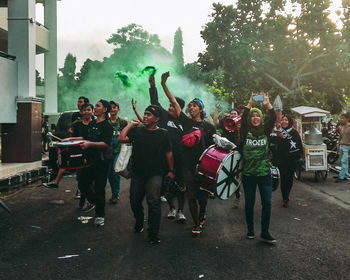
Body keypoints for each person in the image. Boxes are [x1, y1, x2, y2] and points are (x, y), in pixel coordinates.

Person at [163, 79, 216, 236]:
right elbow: (173, 101)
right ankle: (196, 223)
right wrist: (163, 85)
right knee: (191, 196)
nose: (191, 107)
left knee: (203, 198)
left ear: (200, 109)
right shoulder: (185, 122)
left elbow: (215, 146)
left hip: (204, 167)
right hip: (187, 166)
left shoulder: (208, 126)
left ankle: (202, 215)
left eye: (194, 105)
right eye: (190, 106)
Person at [118, 105, 174, 244]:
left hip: (155, 172)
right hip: (138, 172)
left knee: (153, 201)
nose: (145, 116)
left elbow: (168, 153)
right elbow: (121, 138)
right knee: (134, 199)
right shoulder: (137, 131)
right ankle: (139, 219)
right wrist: (131, 124)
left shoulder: (163, 133)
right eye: (145, 114)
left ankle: (153, 233)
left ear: (157, 119)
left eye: (149, 114)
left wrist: (171, 171)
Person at [146, 71, 187, 222]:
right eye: (169, 105)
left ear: (179, 108)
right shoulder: (164, 117)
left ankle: (181, 210)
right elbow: (155, 102)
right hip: (165, 158)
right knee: (168, 185)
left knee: (181, 185)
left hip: (181, 159)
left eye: (173, 105)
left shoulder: (185, 122)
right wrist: (153, 85)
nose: (170, 107)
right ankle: (171, 208)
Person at [240, 93, 276, 244]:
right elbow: (243, 118)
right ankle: (250, 230)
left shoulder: (265, 131)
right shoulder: (245, 131)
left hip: (264, 174)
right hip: (248, 174)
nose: (255, 118)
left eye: (258, 116)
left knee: (267, 202)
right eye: (253, 116)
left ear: (261, 118)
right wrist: (250, 103)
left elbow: (273, 118)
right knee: (249, 203)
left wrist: (267, 104)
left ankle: (265, 232)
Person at [78, 100, 113, 227]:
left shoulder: (107, 126)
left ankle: (100, 215)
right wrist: (71, 140)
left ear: (104, 110)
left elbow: (105, 143)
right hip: (88, 159)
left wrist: (90, 144)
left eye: (98, 106)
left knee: (99, 187)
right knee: (82, 183)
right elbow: (86, 138)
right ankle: (93, 201)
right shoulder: (92, 123)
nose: (95, 108)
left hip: (101, 160)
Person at [270, 114, 303, 207]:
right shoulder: (277, 132)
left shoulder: (294, 133)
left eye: (286, 120)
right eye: (283, 120)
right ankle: (285, 198)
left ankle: (287, 195)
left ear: (290, 122)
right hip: (281, 160)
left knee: (289, 180)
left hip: (292, 161)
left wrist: (300, 158)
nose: (284, 121)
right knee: (284, 179)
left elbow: (298, 146)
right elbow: (271, 140)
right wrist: (279, 137)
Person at [214, 105, 242, 207]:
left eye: (235, 114)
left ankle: (237, 195)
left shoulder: (240, 126)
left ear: (238, 116)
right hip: (225, 152)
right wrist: (217, 110)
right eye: (232, 114)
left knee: (235, 174)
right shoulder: (225, 123)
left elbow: (239, 142)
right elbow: (215, 122)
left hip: (236, 153)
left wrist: (238, 130)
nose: (233, 115)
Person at [108, 101, 128, 203]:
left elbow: (127, 135)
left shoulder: (123, 122)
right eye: (110, 107)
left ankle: (116, 194)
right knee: (109, 174)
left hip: (119, 151)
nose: (112, 109)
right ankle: (113, 193)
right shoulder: (105, 122)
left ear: (118, 109)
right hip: (107, 151)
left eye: (114, 107)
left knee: (115, 171)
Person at [335, 113, 350, 182]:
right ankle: (345, 175)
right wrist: (338, 145)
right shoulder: (342, 127)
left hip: (347, 147)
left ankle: (341, 177)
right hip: (341, 146)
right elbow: (340, 137)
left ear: (347, 119)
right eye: (341, 118)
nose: (341, 119)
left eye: (343, 118)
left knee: (344, 162)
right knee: (343, 162)